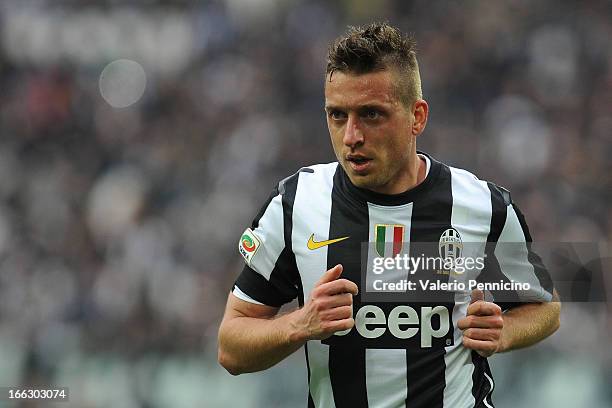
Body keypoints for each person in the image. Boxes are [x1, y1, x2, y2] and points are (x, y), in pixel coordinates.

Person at [218, 22, 560, 408]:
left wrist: (506, 333)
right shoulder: (296, 204)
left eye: (371, 115)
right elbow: (231, 347)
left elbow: (545, 305)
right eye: (337, 115)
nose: (351, 136)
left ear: (417, 117)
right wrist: (300, 324)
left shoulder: (483, 206)